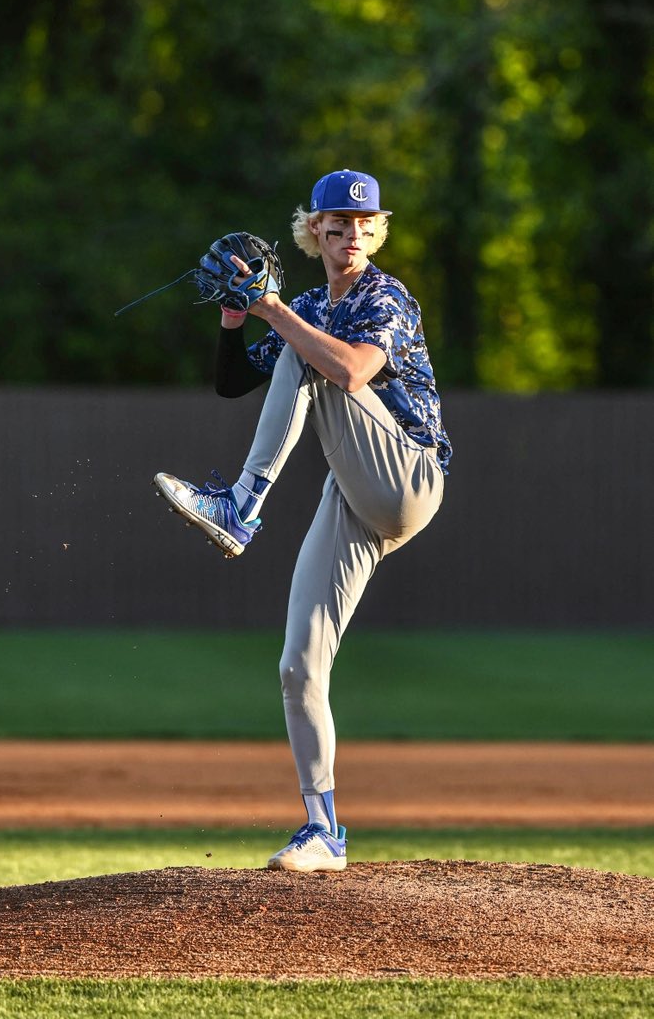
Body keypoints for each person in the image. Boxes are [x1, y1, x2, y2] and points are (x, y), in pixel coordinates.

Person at [154, 168, 452, 872]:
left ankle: (242, 505)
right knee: (298, 666)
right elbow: (233, 383)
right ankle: (323, 831)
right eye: (337, 223)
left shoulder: (387, 295)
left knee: (310, 345)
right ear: (313, 230)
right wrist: (236, 315)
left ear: (378, 230)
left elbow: (349, 372)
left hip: (408, 475)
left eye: (364, 223)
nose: (351, 233)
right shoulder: (313, 301)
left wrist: (274, 309)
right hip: (355, 494)